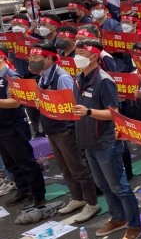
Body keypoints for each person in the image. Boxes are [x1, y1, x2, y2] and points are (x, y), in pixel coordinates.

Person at [71, 38, 141, 239]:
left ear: (94, 56)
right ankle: (117, 218)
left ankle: (134, 225)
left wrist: (89, 112)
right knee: (103, 184)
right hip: (87, 140)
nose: (77, 57)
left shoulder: (104, 81)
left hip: (105, 141)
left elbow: (115, 113)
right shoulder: (78, 78)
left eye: (82, 53)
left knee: (118, 185)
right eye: (77, 52)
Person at [29, 42, 99, 222]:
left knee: (78, 167)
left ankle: (91, 202)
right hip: (51, 128)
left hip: (64, 130)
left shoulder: (61, 77)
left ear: (48, 58)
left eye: (36, 57)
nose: (32, 60)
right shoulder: (43, 76)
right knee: (64, 168)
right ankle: (77, 198)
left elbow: (72, 103)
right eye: (31, 57)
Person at [0, 46, 47, 209]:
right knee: (10, 163)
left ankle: (38, 195)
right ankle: (23, 190)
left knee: (25, 161)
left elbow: (17, 102)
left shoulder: (11, 76)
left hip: (13, 125)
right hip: (2, 126)